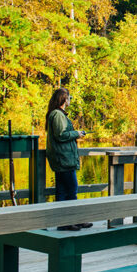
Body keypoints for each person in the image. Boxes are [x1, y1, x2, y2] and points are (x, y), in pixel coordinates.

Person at [45, 88, 92, 231]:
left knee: (63, 190)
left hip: (63, 159)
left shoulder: (57, 114)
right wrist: (76, 133)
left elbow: (62, 134)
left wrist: (74, 134)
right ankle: (68, 221)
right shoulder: (58, 115)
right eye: (69, 97)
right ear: (64, 99)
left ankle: (69, 221)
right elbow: (61, 135)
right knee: (71, 189)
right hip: (63, 159)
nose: (70, 100)